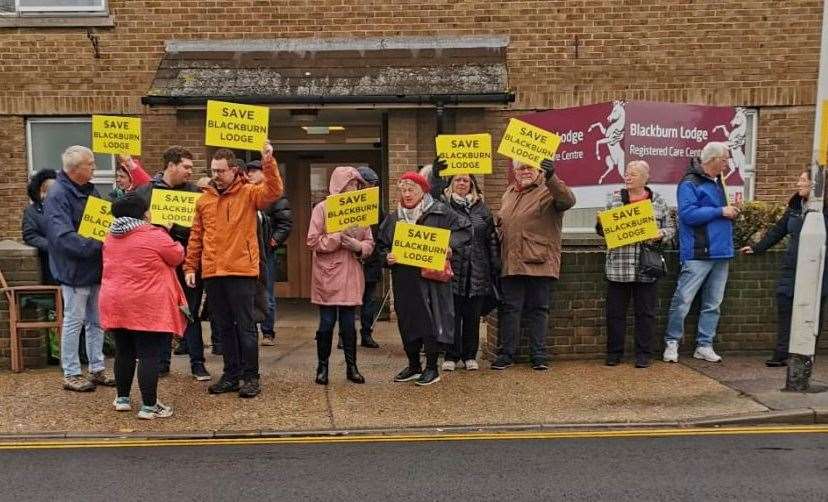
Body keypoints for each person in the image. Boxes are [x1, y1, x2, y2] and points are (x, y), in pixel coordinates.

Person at [185, 142, 283, 398]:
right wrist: (190, 266)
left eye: (221, 170)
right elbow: (197, 235)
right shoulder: (204, 199)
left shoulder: (249, 193)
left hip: (241, 271)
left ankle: (251, 377)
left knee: (246, 327)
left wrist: (269, 162)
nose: (216, 174)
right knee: (224, 327)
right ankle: (231, 374)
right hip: (214, 272)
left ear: (234, 170)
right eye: (213, 170)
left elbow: (273, 191)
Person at [376, 169, 471, 386]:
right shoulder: (393, 219)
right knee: (408, 321)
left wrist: (449, 246)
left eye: (412, 189)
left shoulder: (440, 212)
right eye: (404, 190)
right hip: (404, 278)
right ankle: (413, 365)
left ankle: (431, 368)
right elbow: (380, 246)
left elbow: (466, 230)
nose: (407, 194)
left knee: (431, 321)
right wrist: (386, 257)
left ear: (423, 190)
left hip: (431, 279)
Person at [99, 193, 187, 419]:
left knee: (124, 350)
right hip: (145, 304)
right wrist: (167, 232)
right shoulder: (153, 235)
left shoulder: (110, 236)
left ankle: (122, 399)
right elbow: (177, 256)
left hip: (115, 301)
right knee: (149, 354)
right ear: (143, 213)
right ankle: (149, 407)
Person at [492, 158, 576, 371]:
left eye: (530, 167)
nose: (525, 171)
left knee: (538, 309)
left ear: (539, 170)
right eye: (521, 168)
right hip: (511, 262)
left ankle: (538, 355)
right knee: (510, 309)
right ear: (515, 171)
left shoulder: (548, 189)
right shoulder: (509, 193)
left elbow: (567, 200)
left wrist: (552, 177)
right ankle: (507, 354)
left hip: (539, 260)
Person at [135, 146, 211, 381]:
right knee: (161, 312)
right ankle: (162, 363)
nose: (190, 171)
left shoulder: (195, 192)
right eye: (186, 167)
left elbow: (202, 226)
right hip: (157, 264)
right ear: (171, 165)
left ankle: (197, 364)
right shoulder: (145, 192)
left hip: (188, 261)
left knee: (190, 313)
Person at [740, 167, 828, 367]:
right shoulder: (796, 205)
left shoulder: (823, 210)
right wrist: (757, 248)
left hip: (817, 269)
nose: (799, 184)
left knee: (812, 311)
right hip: (792, 265)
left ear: (814, 185)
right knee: (785, 304)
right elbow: (779, 230)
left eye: (803, 180)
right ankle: (781, 354)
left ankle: (805, 354)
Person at [44, 145, 115, 392]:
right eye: (91, 164)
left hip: (93, 266)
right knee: (75, 321)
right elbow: (62, 237)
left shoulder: (89, 190)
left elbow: (103, 217)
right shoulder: (58, 195)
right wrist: (97, 244)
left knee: (96, 321)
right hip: (74, 269)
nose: (95, 167)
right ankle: (72, 373)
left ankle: (97, 368)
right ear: (76, 169)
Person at [664, 142, 739, 363]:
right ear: (713, 160)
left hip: (721, 251)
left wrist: (729, 211)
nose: (727, 164)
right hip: (698, 251)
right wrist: (721, 211)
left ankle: (705, 344)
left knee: (713, 303)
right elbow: (687, 215)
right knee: (683, 300)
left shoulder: (718, 182)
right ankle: (671, 341)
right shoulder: (689, 183)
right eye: (725, 160)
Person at [596, 161, 676, 368]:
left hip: (646, 267)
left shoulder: (658, 201)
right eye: (626, 173)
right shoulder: (614, 199)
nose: (627, 176)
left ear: (645, 177)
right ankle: (614, 353)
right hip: (619, 267)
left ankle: (643, 354)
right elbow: (602, 231)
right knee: (615, 314)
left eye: (633, 174)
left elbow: (671, 228)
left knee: (646, 314)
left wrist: (661, 234)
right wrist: (601, 223)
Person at [427, 161, 501, 371]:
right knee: (452, 315)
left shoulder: (483, 209)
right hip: (452, 269)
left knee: (472, 317)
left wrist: (495, 264)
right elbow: (431, 195)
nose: (462, 183)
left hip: (477, 270)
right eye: (457, 179)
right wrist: (436, 172)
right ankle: (451, 355)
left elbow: (491, 239)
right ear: (450, 184)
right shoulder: (442, 207)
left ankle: (470, 355)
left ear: (472, 185)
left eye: (466, 180)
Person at [307, 166, 374, 385]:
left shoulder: (362, 211)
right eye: (350, 184)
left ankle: (352, 367)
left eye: (356, 184)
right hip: (328, 275)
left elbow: (369, 242)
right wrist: (337, 237)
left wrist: (359, 246)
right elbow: (313, 241)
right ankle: (322, 367)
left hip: (351, 274)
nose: (354, 188)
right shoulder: (322, 209)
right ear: (339, 185)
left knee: (348, 324)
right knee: (326, 323)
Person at [245, 160, 293, 346]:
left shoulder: (275, 196)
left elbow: (285, 223)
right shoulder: (246, 194)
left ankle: (267, 331)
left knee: (267, 292)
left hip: (266, 252)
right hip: (247, 252)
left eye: (254, 171)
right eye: (248, 171)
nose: (249, 174)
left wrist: (272, 242)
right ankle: (250, 330)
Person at [356, 165, 383, 349]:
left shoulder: (376, 207)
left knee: (369, 300)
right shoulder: (345, 205)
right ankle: (345, 335)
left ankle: (367, 334)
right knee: (349, 301)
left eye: (374, 185)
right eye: (369, 184)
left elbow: (380, 232)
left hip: (371, 260)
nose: (372, 188)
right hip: (351, 260)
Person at [23, 169, 57, 285]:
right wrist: (52, 245)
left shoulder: (66, 208)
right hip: (49, 265)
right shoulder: (31, 212)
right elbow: (30, 235)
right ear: (42, 191)